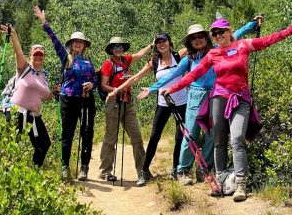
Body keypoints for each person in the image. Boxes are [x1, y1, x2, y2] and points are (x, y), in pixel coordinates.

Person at [162, 17, 292, 201]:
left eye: (221, 32)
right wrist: (172, 88)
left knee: (237, 139)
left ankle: (241, 184)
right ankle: (220, 181)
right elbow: (193, 75)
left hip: (240, 99)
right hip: (219, 98)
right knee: (218, 141)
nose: (218, 36)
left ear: (229, 31)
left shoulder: (243, 45)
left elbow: (270, 40)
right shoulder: (212, 55)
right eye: (214, 34)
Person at [138, 17, 259, 186]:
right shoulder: (188, 59)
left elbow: (235, 34)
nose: (198, 40)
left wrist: (252, 25)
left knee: (212, 135)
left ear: (206, 37)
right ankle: (183, 170)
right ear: (189, 42)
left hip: (216, 96)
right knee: (191, 134)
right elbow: (172, 75)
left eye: (200, 36)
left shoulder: (216, 50)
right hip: (195, 96)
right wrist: (152, 89)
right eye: (193, 38)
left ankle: (204, 169)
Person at [107, 33, 188, 187]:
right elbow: (135, 78)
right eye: (158, 42)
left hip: (182, 102)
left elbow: (202, 46)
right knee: (154, 136)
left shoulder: (180, 55)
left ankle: (176, 169)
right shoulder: (154, 61)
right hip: (163, 103)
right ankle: (144, 172)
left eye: (163, 41)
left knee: (179, 138)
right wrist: (116, 91)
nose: (161, 44)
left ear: (170, 43)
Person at [34, 6, 96, 181]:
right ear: (71, 44)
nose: (78, 44)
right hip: (68, 100)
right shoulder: (66, 57)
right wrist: (44, 22)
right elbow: (54, 40)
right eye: (75, 41)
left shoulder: (89, 61)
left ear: (84, 45)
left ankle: (84, 168)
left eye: (81, 42)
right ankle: (65, 167)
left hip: (86, 100)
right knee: (67, 134)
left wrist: (93, 85)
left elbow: (96, 80)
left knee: (87, 133)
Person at [98, 37, 153, 181]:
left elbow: (139, 55)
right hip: (114, 102)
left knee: (136, 136)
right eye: (115, 46)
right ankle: (105, 171)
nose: (118, 48)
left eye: (120, 46)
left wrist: (151, 45)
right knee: (111, 137)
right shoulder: (108, 64)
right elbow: (104, 85)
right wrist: (117, 90)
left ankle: (143, 171)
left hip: (127, 102)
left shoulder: (125, 60)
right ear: (111, 49)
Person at [0, 25, 54, 167]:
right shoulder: (24, 68)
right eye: (35, 54)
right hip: (17, 112)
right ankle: (7, 177)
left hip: (33, 116)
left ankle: (34, 172)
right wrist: (14, 35)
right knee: (12, 146)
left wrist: (53, 93)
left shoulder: (44, 77)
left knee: (44, 144)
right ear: (30, 55)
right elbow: (18, 51)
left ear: (44, 57)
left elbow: (44, 97)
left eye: (40, 54)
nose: (38, 57)